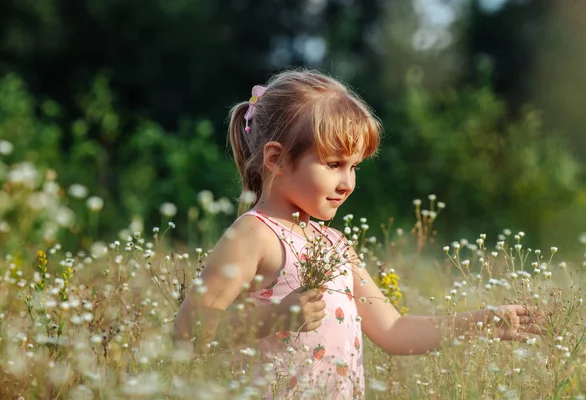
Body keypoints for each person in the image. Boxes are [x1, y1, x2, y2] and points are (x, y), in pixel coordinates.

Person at [172, 69, 543, 399]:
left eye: (354, 166)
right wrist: (275, 318)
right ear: (276, 159)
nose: (347, 182)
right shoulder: (254, 234)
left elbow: (394, 331)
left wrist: (481, 322)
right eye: (333, 164)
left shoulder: (336, 246)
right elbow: (188, 334)